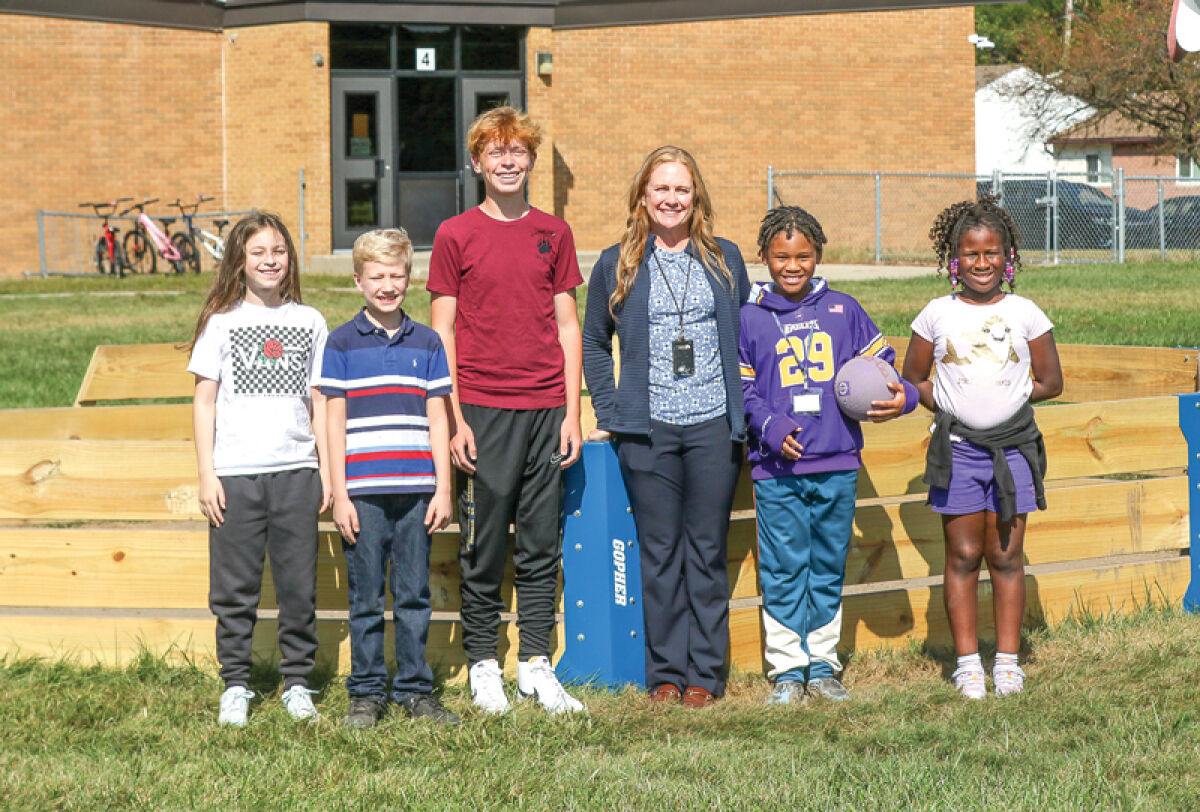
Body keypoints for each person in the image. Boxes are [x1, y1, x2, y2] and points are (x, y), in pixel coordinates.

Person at [428, 106, 585, 715]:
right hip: (483, 408)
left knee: (542, 541)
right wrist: (457, 417)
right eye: (496, 152)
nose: (508, 161)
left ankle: (537, 662)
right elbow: (442, 333)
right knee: (484, 544)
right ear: (477, 163)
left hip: (546, 406)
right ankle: (484, 663)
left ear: (532, 160)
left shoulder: (555, 233)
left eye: (518, 151)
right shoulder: (455, 234)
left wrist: (572, 413)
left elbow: (568, 326)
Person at [582, 146, 750, 708]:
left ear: (695, 195)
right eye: (661, 189)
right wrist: (611, 410)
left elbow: (745, 338)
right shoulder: (616, 263)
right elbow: (593, 342)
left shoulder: (724, 258)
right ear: (642, 197)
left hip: (712, 427)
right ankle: (665, 674)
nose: (671, 199)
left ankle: (705, 673)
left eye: (681, 189)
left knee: (705, 550)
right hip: (646, 432)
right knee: (658, 553)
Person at [739, 206, 918, 705]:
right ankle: (786, 668)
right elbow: (743, 389)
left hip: (837, 461)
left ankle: (821, 663)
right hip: (777, 468)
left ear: (818, 255)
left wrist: (902, 394)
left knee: (825, 563)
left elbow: (883, 371)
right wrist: (770, 427)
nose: (792, 265)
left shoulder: (845, 309)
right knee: (782, 564)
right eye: (781, 256)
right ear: (764, 257)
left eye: (803, 255)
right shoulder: (749, 317)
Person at [901, 195, 1063, 700]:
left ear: (1007, 256)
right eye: (970, 254)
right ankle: (969, 664)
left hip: (1014, 450)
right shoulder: (935, 314)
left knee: (1006, 555)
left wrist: (1008, 404)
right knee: (964, 554)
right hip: (958, 452)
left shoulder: (1026, 312)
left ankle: (1008, 662)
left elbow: (1050, 381)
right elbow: (914, 378)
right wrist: (949, 406)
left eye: (992, 252)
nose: (982, 263)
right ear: (954, 260)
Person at [186, 211, 331, 727]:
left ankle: (297, 682)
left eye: (279, 251)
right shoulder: (221, 323)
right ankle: (236, 684)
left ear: (290, 258)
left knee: (298, 585)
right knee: (234, 588)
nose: (271, 261)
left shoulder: (309, 321)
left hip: (296, 472)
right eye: (259, 253)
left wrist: (328, 472)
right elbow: (205, 402)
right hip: (235, 476)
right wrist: (208, 473)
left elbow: (319, 401)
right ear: (240, 263)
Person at [320, 228, 459, 728]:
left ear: (409, 279)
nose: (387, 285)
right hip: (363, 495)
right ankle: (366, 691)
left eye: (396, 276)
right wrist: (338, 493)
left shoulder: (427, 342)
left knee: (414, 594)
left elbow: (438, 417)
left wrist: (443, 488)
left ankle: (416, 689)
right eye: (376, 276)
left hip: (417, 491)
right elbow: (333, 421)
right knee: (364, 598)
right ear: (358, 280)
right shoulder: (340, 343)